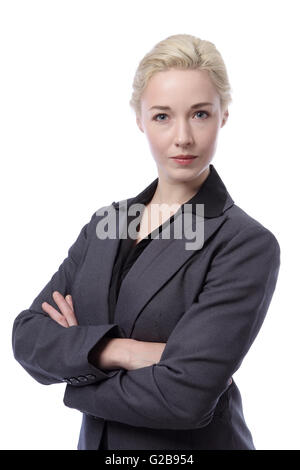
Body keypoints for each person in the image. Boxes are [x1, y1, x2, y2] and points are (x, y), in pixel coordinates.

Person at [12, 33, 280, 450]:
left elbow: (185, 397)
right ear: (139, 118)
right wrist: (124, 351)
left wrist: (76, 368)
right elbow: (28, 336)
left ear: (223, 115)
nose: (183, 137)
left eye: (200, 114)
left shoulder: (245, 243)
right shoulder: (105, 225)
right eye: (162, 116)